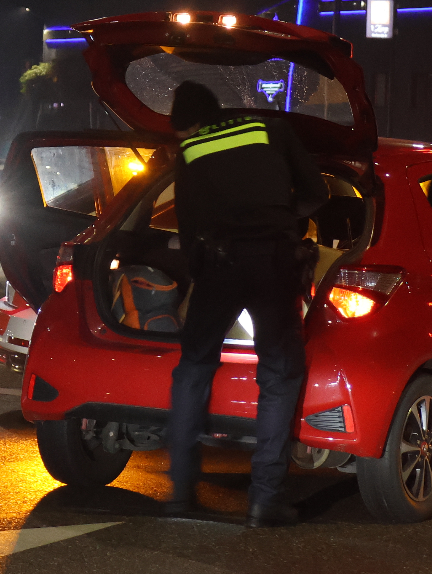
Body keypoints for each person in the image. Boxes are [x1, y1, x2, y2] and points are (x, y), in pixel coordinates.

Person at [162, 81, 328, 528]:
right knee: (278, 372)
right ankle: (264, 502)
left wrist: (199, 279)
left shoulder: (191, 151)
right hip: (274, 263)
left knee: (194, 367)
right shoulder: (271, 129)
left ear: (191, 124)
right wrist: (278, 219)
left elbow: (189, 226)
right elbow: (316, 194)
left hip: (218, 264)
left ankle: (180, 495)